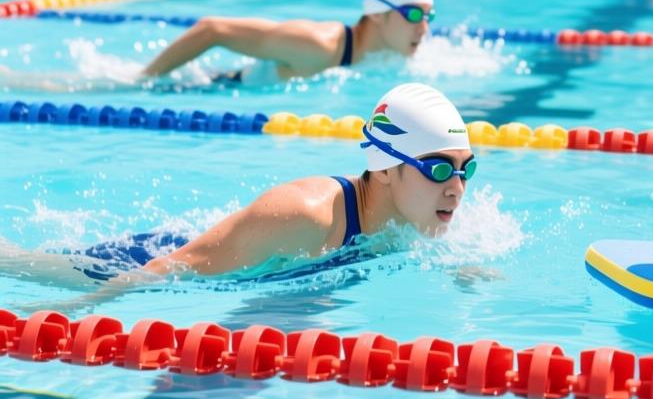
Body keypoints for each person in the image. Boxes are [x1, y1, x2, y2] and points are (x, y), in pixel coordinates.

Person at [0, 82, 475, 287]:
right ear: (386, 166)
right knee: (21, 265)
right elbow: (174, 267)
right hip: (155, 262)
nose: (455, 187)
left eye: (465, 169)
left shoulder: (427, 215)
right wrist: (83, 309)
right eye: (437, 168)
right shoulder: (304, 214)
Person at [140, 0, 436, 84]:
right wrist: (144, 78)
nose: (424, 28)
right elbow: (212, 29)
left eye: (428, 16)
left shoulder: (389, 57)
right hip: (213, 88)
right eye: (412, 14)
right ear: (377, 13)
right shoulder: (317, 45)